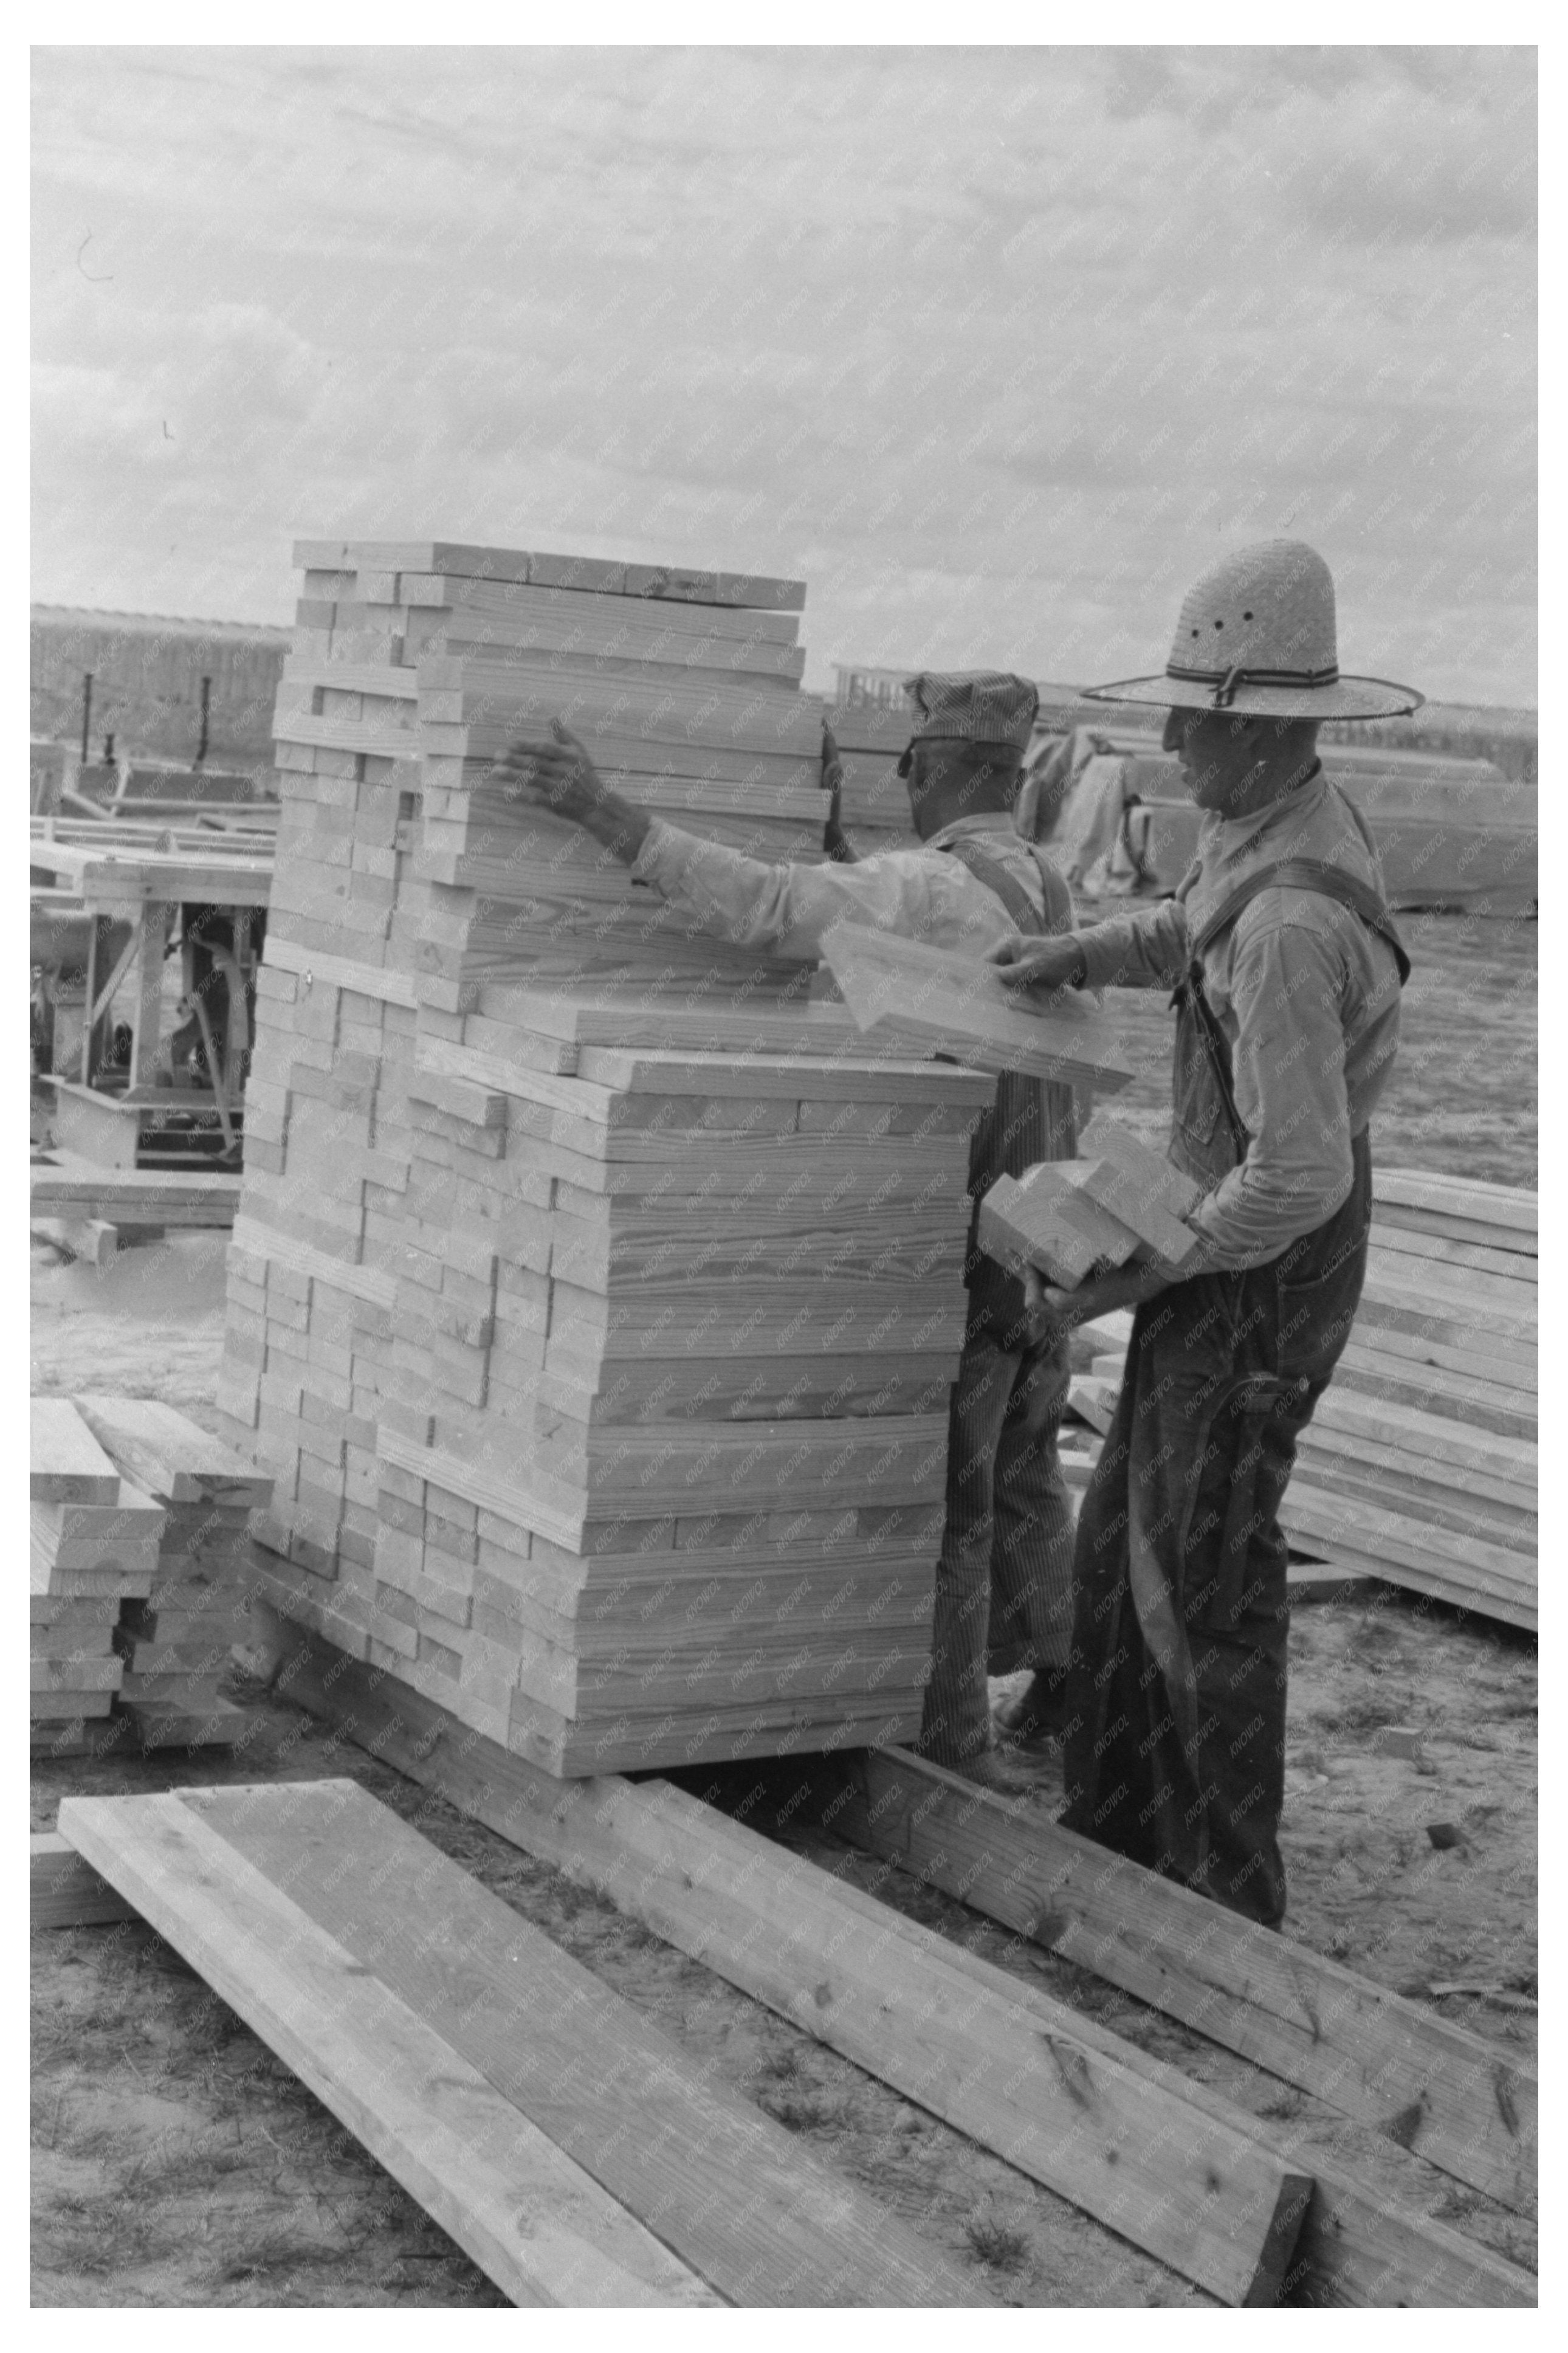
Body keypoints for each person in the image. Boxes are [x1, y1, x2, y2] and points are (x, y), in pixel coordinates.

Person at [495, 672, 1081, 1786]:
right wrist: (836, 842)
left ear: (944, 767)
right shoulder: (1041, 881)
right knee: (1025, 1471)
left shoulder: (927, 887)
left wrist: (602, 810)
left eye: (909, 767)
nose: (902, 784)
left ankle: (955, 1738)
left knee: (950, 1492)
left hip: (965, 1229)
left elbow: (775, 912)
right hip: (1048, 1222)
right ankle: (1066, 1693)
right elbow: (904, 906)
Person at [994, 538, 1420, 1923]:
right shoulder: (1271, 828)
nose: (1169, 743)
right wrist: (1078, 954)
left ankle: (1226, 1893)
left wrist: (1144, 1271)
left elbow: (1300, 1174)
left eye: (1190, 720)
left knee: (1206, 1572)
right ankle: (1121, 1824)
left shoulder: (1296, 923)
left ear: (1255, 729)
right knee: (1129, 1529)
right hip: (1228, 1248)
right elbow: (1190, 922)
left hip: (1268, 1272)